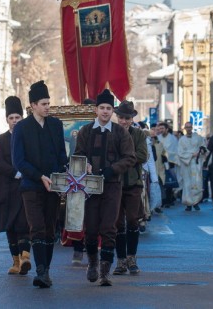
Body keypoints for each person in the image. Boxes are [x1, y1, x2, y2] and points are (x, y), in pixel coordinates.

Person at [74, 89, 136, 286]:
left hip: (112, 186)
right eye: (102, 108)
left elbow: (130, 157)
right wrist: (86, 165)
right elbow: (78, 155)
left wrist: (112, 170)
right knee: (91, 229)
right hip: (90, 187)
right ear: (96, 109)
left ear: (112, 111)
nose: (105, 111)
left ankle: (104, 272)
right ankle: (92, 263)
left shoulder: (120, 132)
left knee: (109, 228)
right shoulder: (85, 131)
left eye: (109, 108)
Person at [12, 81, 67, 289]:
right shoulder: (22, 128)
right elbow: (19, 160)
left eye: (48, 103)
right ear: (33, 105)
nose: (47, 107)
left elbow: (62, 153)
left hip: (52, 186)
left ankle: (46, 271)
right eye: (43, 103)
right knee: (37, 227)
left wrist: (62, 173)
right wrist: (39, 176)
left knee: (50, 229)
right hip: (31, 187)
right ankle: (41, 271)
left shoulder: (55, 124)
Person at [0, 96, 31, 276]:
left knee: (24, 222)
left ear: (22, 118)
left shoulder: (29, 138)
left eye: (17, 117)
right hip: (6, 187)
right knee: (10, 225)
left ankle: (25, 258)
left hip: (25, 186)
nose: (15, 121)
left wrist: (26, 172)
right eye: (11, 118)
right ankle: (15, 261)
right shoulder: (0, 140)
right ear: (7, 120)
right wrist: (15, 172)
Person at [111, 100, 148, 276]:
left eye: (127, 118)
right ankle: (120, 261)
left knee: (133, 220)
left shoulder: (139, 134)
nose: (124, 121)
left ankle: (132, 257)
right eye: (121, 117)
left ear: (132, 119)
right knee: (117, 223)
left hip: (133, 184)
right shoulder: (111, 132)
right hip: (116, 184)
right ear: (117, 117)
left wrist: (124, 158)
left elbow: (143, 155)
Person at [177, 121, 206, 211]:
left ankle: (196, 202)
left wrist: (201, 151)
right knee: (187, 184)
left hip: (196, 164)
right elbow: (180, 153)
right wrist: (190, 155)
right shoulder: (181, 140)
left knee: (197, 183)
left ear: (192, 128)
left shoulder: (198, 137)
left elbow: (204, 147)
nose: (189, 129)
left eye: (190, 127)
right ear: (185, 129)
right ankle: (188, 203)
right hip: (187, 164)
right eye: (187, 127)